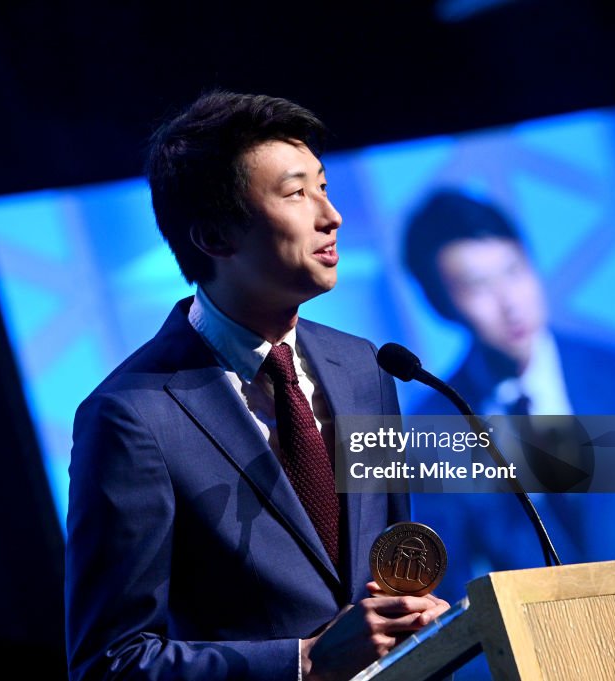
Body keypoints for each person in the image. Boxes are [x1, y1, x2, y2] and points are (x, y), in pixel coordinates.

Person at [66, 92, 449, 681]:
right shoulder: (131, 417)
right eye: (297, 194)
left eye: (324, 186)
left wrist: (415, 619)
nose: (331, 215)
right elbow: (111, 663)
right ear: (215, 237)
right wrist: (305, 663)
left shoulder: (366, 367)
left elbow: (389, 568)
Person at [400, 187, 615, 598]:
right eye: (478, 287)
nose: (510, 303)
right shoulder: (433, 425)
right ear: (441, 305)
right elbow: (444, 592)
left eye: (514, 272)